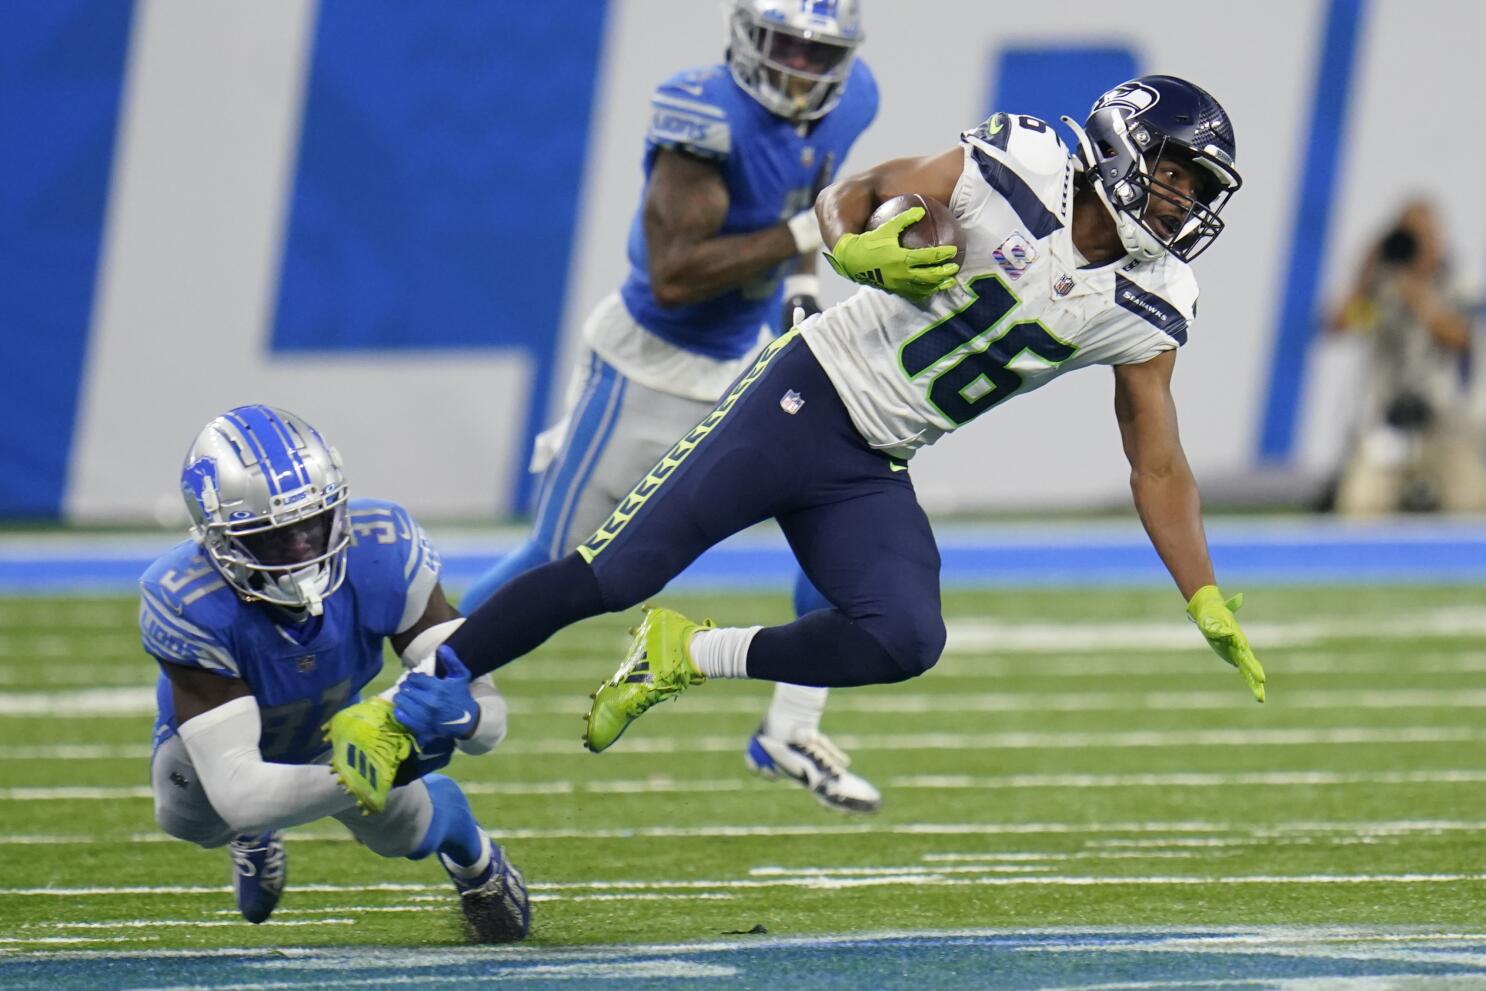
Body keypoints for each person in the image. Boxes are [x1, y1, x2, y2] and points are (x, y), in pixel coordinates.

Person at [327, 75, 1268, 815]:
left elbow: (1158, 460)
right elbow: (863, 191)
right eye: (1176, 173)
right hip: (802, 395)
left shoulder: (1157, 299)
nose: (1182, 202)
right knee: (609, 572)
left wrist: (1203, 590)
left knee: (905, 635)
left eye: (1197, 189)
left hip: (872, 462)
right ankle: (405, 704)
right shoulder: (1022, 159)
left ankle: (683, 657)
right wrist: (849, 246)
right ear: (1121, 142)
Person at [460, 0, 882, 812]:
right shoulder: (703, 114)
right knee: (557, 564)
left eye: (816, 51)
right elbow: (676, 273)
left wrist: (799, 294)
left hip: (744, 365)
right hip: (647, 368)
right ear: (748, 37)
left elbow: (810, 197)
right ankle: (419, 686)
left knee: (844, 523)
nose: (800, 68)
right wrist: (805, 241)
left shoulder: (855, 96)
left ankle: (791, 726)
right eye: (785, 46)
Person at [142, 404, 529, 941]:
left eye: (313, 524)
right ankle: (253, 837)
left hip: (336, 721)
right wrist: (371, 770)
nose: (302, 549)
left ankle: (475, 860)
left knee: (406, 831)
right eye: (273, 537)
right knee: (192, 820)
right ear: (219, 540)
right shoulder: (186, 597)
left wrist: (464, 714)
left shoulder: (383, 549)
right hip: (231, 745)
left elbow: (490, 723)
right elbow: (238, 791)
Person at [1327, 198, 1485, 514]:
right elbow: (1339, 326)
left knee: (1471, 504)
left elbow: (1456, 337)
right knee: (1360, 505)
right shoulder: (1382, 287)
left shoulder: (1458, 284)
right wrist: (1365, 271)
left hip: (1445, 422)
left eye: (1425, 235)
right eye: (1410, 235)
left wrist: (1415, 288)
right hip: (1387, 421)